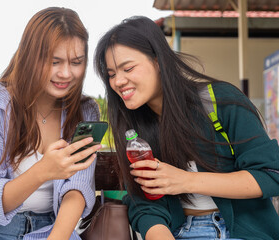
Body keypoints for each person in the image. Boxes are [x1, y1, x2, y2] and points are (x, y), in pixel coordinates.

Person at [94, 16, 279, 240]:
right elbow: (143, 202)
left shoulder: (221, 100)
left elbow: (270, 175)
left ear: (158, 61)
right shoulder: (133, 129)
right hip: (180, 232)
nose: (118, 81)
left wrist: (184, 180)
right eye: (112, 74)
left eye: (128, 68)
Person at [0, 7, 102, 240]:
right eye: (54, 61)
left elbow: (77, 187)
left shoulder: (86, 111)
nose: (66, 73)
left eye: (76, 62)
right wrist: (43, 171)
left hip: (50, 230)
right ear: (30, 57)